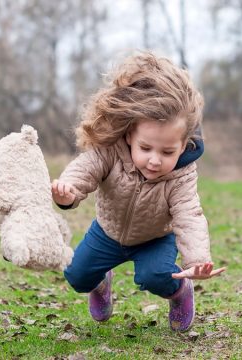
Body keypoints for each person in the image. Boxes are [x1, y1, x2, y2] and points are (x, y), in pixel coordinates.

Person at [51, 52, 225, 332]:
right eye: (146, 148)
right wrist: (68, 192)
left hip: (155, 238)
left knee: (155, 276)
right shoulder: (111, 151)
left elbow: (188, 214)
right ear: (130, 135)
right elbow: (86, 167)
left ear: (183, 146)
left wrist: (197, 260)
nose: (155, 160)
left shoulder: (181, 174)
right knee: (77, 276)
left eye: (167, 151)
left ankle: (179, 292)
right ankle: (100, 281)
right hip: (108, 232)